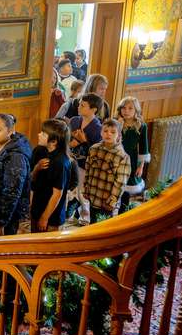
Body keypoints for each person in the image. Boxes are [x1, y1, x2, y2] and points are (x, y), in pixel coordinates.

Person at [83, 118, 132, 225]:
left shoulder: (122, 156)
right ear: (101, 132)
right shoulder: (93, 149)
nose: (108, 134)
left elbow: (120, 182)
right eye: (105, 131)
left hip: (107, 201)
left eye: (113, 132)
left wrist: (112, 201)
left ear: (119, 135)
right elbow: (88, 170)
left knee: (103, 227)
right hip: (93, 196)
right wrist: (86, 189)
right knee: (92, 224)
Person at [66, 93, 105, 224]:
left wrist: (83, 142)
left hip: (85, 165)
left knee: (82, 191)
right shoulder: (75, 121)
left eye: (83, 105)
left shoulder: (97, 128)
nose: (78, 107)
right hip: (72, 161)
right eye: (79, 104)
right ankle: (75, 209)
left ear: (93, 109)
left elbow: (98, 153)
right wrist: (71, 143)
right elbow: (68, 141)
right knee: (72, 188)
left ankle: (84, 215)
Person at [29, 117, 73, 232]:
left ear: (54, 141)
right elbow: (33, 180)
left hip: (51, 217)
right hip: (38, 207)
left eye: (43, 134)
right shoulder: (41, 151)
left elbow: (57, 194)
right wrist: (37, 168)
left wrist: (44, 218)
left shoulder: (60, 162)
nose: (39, 135)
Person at [115, 95, 150, 213]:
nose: (126, 111)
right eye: (124, 108)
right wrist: (118, 127)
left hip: (132, 160)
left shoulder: (141, 126)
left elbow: (144, 148)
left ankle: (123, 210)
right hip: (118, 158)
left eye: (130, 108)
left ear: (136, 111)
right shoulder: (117, 124)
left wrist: (141, 166)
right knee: (116, 183)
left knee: (127, 185)